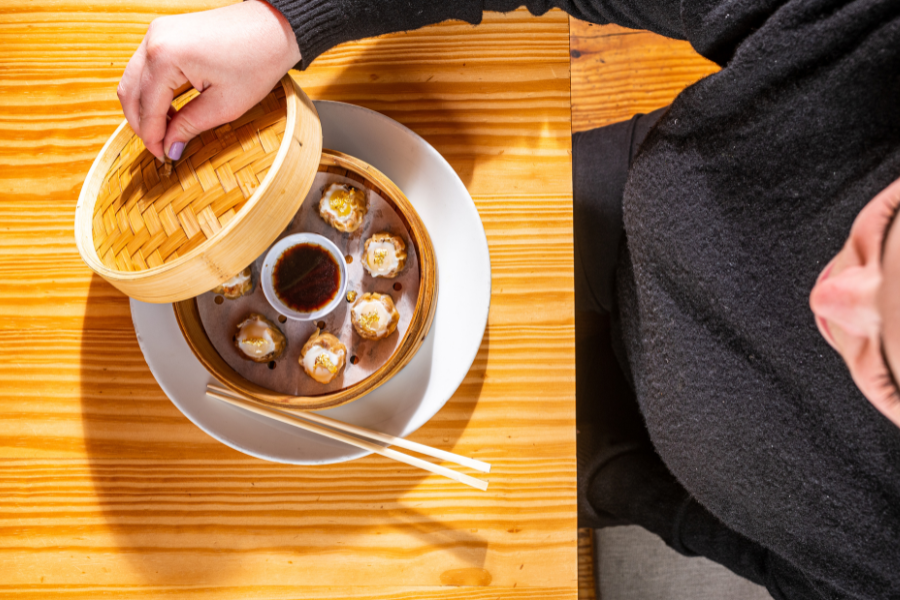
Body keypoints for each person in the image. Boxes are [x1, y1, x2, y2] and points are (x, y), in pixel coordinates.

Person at [117, 1, 900, 598]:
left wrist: (628, 491)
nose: (830, 297)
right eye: (891, 228)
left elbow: (806, 574)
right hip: (625, 212)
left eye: (891, 373)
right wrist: (285, 19)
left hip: (643, 449)